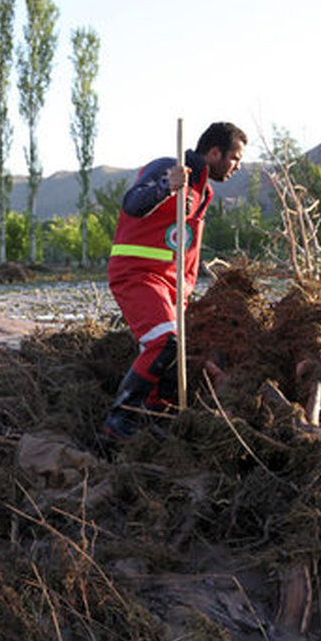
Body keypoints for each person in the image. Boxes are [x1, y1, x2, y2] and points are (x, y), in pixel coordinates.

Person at [103, 121, 248, 439]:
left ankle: (158, 416)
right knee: (164, 342)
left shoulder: (202, 190)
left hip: (170, 286)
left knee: (175, 352)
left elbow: (181, 245)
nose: (238, 166)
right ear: (214, 152)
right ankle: (119, 420)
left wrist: (183, 292)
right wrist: (165, 187)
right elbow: (132, 204)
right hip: (138, 274)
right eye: (235, 158)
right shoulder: (169, 169)